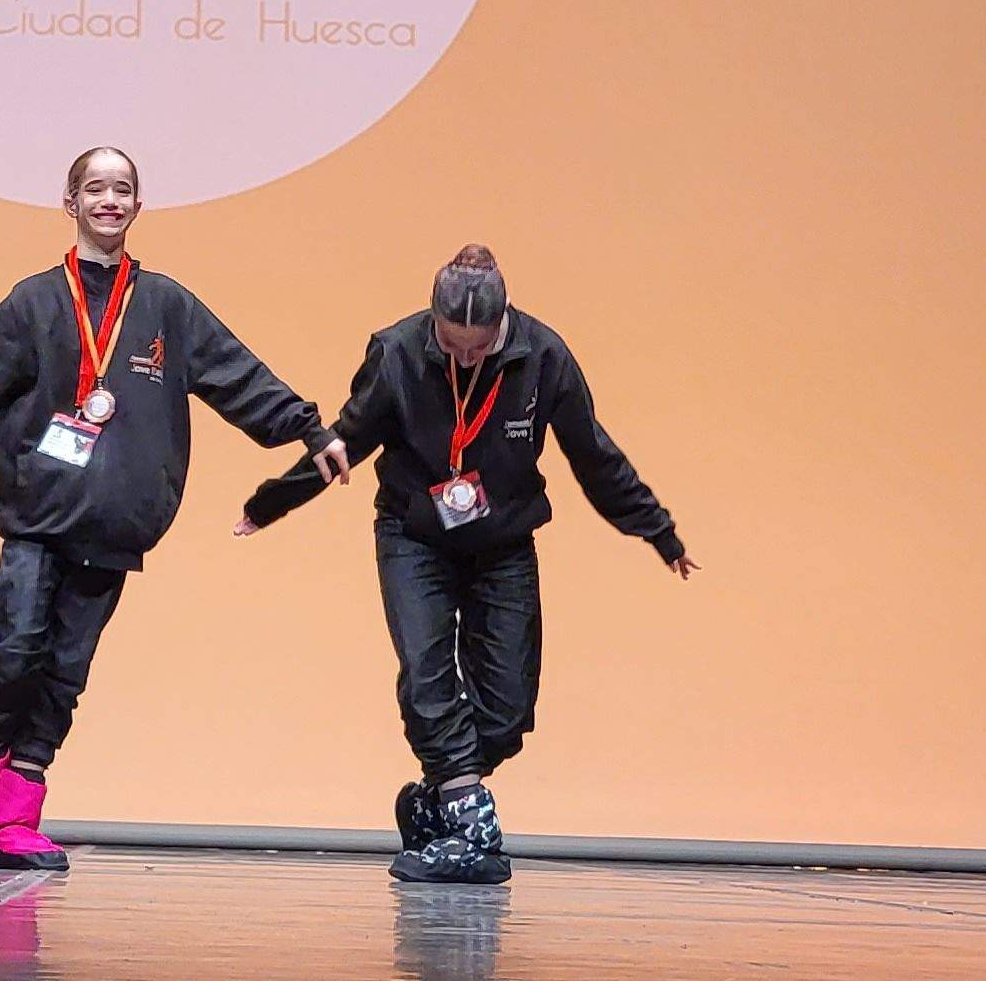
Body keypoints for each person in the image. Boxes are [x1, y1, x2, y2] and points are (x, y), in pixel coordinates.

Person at [0, 145, 350, 871]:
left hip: (118, 522)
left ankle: (15, 817)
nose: (110, 201)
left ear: (138, 205)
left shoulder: (167, 307)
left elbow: (238, 376)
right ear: (71, 203)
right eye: (96, 189)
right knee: (14, 652)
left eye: (123, 190)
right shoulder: (34, 302)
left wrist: (308, 430)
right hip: (38, 515)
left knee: (65, 672)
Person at [237, 245, 696, 884]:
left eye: (479, 349)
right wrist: (273, 501)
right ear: (434, 322)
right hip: (414, 534)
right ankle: (467, 813)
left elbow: (592, 452)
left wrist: (657, 529)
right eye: (452, 347)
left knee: (508, 709)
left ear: (503, 325)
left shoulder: (544, 356)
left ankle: (431, 801)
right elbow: (348, 438)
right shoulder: (396, 352)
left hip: (503, 542)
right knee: (427, 671)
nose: (465, 359)